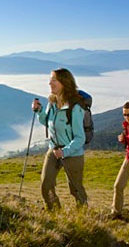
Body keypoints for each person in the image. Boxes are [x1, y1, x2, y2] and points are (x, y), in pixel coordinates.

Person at [32, 68, 88, 210]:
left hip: (73, 153)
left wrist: (65, 152)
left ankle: (83, 217)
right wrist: (39, 111)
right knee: (46, 185)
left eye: (54, 80)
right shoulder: (52, 103)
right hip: (54, 149)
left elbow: (80, 137)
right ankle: (55, 214)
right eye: (50, 79)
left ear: (64, 82)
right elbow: (47, 122)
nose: (50, 83)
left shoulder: (75, 108)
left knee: (75, 190)